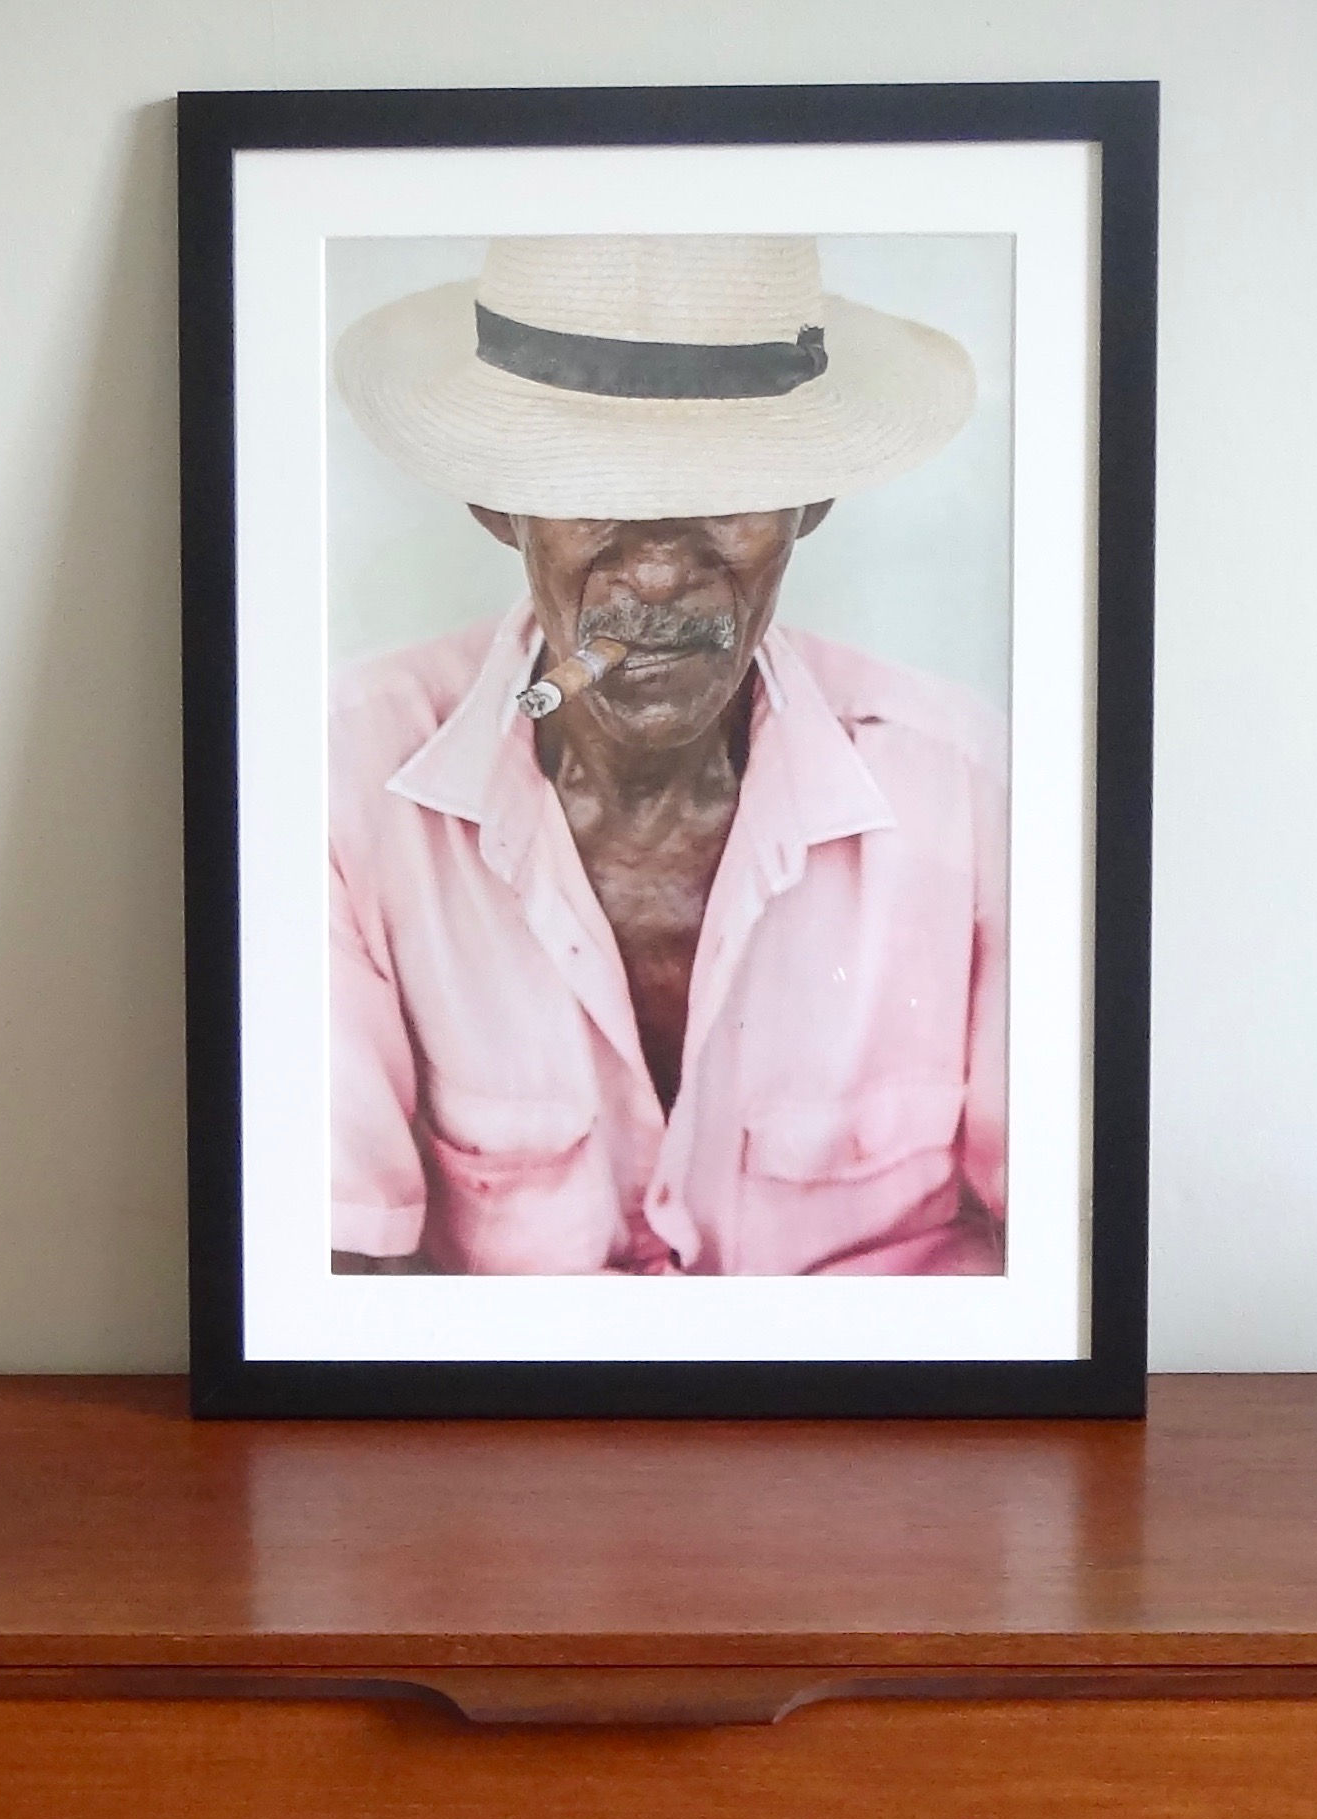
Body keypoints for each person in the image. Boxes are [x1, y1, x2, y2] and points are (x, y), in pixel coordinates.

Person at [329, 235, 1007, 1278]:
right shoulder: (340, 784)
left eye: (729, 488)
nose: (654, 570)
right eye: (593, 490)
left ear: (811, 501)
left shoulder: (969, 789)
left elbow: (1056, 1261)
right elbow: (332, 1280)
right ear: (493, 502)